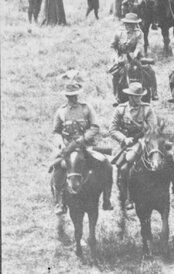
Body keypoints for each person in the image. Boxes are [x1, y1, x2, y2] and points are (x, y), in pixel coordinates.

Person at [50, 74, 108, 213]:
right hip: (68, 148)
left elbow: (95, 127)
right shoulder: (61, 111)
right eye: (69, 96)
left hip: (86, 146)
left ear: (78, 95)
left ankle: (106, 198)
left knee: (104, 165)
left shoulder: (86, 108)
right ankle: (60, 202)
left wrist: (84, 138)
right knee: (57, 170)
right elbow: (56, 131)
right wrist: (61, 145)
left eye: (74, 95)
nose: (72, 98)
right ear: (66, 97)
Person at [107, 80, 159, 207]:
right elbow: (112, 129)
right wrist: (124, 139)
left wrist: (144, 136)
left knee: (163, 159)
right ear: (130, 96)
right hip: (126, 144)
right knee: (122, 169)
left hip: (144, 141)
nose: (138, 99)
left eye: (140, 96)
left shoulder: (147, 108)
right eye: (136, 97)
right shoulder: (121, 109)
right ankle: (126, 198)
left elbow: (154, 129)